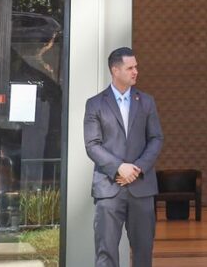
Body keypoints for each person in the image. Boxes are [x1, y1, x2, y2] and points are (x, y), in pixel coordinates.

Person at [84, 47, 164, 266]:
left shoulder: (147, 102)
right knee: (106, 254)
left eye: (136, 67)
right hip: (109, 189)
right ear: (115, 70)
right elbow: (92, 145)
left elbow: (156, 138)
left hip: (142, 188)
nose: (136, 71)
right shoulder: (95, 104)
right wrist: (120, 167)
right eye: (130, 68)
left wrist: (136, 168)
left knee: (143, 254)